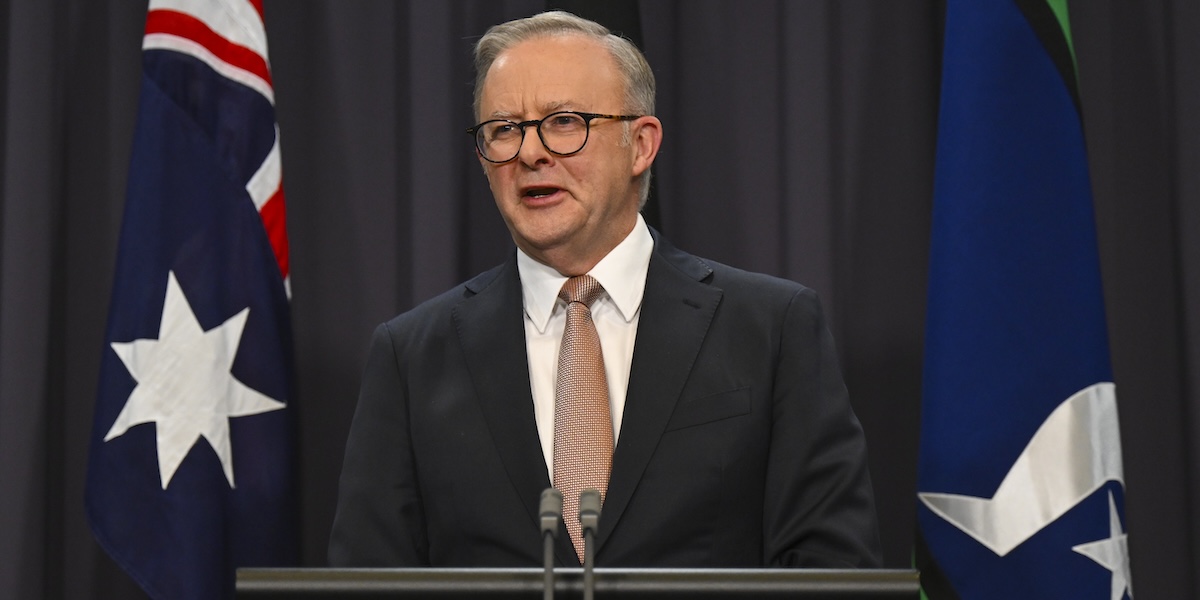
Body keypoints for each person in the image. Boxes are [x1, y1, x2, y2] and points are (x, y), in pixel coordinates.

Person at [328, 10, 881, 569]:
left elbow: (831, 566)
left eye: (564, 121)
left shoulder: (772, 328)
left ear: (640, 144)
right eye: (504, 130)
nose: (530, 153)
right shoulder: (412, 356)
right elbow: (368, 577)